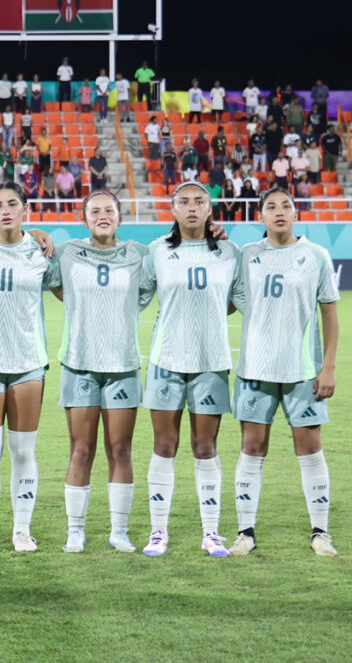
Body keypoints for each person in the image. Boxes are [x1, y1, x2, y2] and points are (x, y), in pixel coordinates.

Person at [229, 188, 339, 557]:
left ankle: (321, 533)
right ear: (260, 216)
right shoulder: (247, 256)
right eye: (271, 207)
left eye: (286, 206)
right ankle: (245, 532)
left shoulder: (315, 256)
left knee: (310, 449)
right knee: (252, 448)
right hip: (255, 370)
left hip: (303, 371)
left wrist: (329, 366)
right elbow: (232, 300)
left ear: (296, 213)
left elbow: (329, 312)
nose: (279, 211)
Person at [139, 182, 239, 558]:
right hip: (166, 361)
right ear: (173, 209)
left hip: (211, 362)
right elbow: (140, 294)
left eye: (199, 201)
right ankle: (158, 531)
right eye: (184, 201)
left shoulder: (229, 252)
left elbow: (234, 300)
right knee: (164, 446)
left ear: (210, 208)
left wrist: (206, 315)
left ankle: (211, 533)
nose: (192, 207)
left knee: (205, 446)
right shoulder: (158, 251)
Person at [53, 190, 153, 553]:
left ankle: (119, 531)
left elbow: (156, 281)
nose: (102, 216)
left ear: (120, 217)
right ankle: (75, 531)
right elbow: (49, 277)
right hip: (79, 363)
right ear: (84, 219)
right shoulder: (68, 253)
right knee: (81, 449)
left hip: (123, 365)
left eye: (109, 210)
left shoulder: (139, 255)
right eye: (94, 211)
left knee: (120, 449)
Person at [0, 183, 59, 553]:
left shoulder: (41, 252)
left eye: (13, 204)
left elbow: (64, 288)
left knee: (23, 452)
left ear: (25, 209)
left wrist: (40, 235)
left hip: (27, 363)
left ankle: (22, 530)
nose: (5, 210)